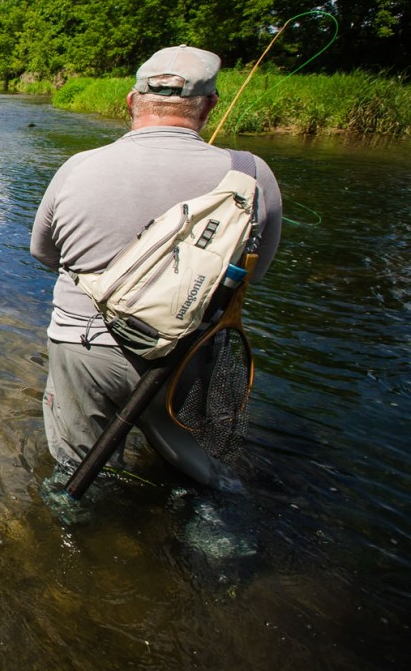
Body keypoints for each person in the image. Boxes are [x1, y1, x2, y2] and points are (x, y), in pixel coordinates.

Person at [30, 45, 282, 491]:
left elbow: (44, 253)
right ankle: (210, 541)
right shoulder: (250, 173)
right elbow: (254, 276)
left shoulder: (76, 167)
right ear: (209, 106)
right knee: (192, 480)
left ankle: (70, 534)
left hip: (82, 344)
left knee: (77, 472)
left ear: (131, 101)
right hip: (187, 355)